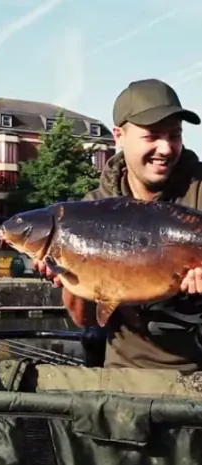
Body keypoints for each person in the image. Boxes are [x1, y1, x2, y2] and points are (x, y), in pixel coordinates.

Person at [35, 78, 202, 372]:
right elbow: (85, 319)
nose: (165, 148)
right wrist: (66, 274)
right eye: (152, 136)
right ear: (119, 136)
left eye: (174, 135)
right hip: (127, 370)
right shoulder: (90, 208)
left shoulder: (198, 190)